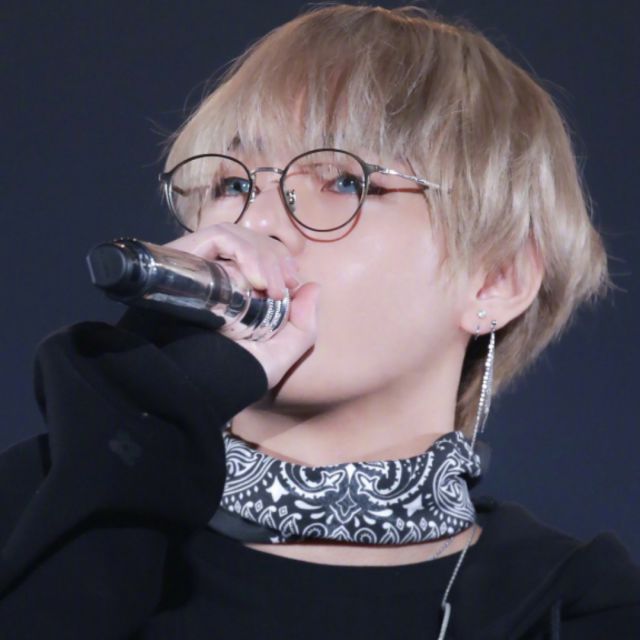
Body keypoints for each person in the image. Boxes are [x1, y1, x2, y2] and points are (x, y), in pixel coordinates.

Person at [0, 4, 638, 638]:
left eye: (344, 182)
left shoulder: (578, 606)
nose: (254, 223)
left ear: (498, 279)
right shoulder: (39, 510)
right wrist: (136, 418)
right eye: (233, 184)